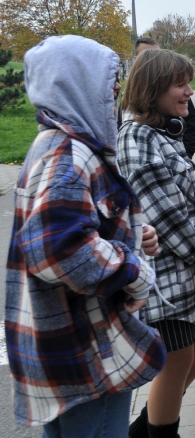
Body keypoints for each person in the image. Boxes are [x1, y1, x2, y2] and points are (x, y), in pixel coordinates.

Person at [6, 35, 165, 434]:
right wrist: (135, 272)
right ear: (75, 84)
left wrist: (132, 234)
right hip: (86, 351)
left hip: (69, 349)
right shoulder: (68, 156)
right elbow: (61, 250)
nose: (117, 89)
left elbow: (74, 228)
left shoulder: (61, 146)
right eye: (107, 81)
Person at [118, 49, 195, 438]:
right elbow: (171, 225)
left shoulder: (159, 133)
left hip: (187, 273)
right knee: (177, 360)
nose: (190, 91)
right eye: (180, 84)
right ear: (152, 90)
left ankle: (144, 428)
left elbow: (188, 209)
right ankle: (160, 432)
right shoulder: (139, 140)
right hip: (167, 278)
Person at [134, 37, 195, 159]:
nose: (190, 92)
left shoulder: (179, 99)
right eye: (147, 56)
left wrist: (184, 157)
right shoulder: (140, 137)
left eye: (158, 54)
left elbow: (192, 128)